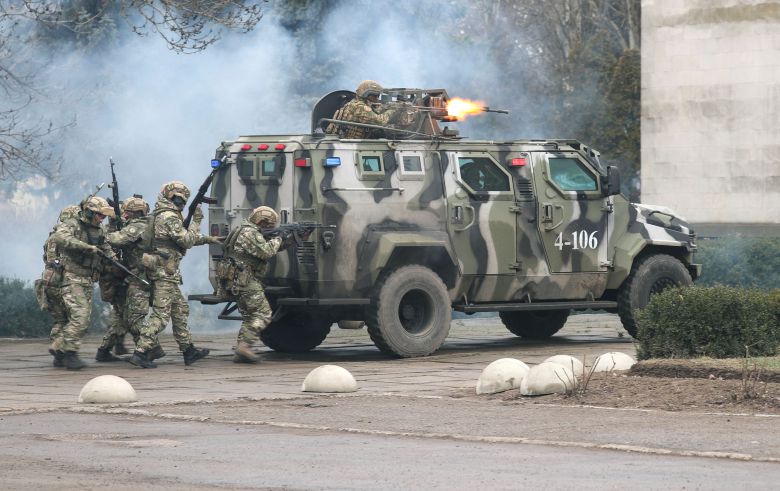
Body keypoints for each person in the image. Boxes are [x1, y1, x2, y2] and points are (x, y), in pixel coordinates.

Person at [130, 181, 218, 368]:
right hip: (164, 272)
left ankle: (188, 350)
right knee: (161, 316)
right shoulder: (169, 216)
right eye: (181, 199)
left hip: (164, 271)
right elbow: (186, 240)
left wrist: (209, 239)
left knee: (179, 310)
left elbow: (177, 240)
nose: (182, 203)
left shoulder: (162, 214)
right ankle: (141, 351)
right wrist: (196, 220)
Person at [217, 206, 291, 363]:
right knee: (263, 313)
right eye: (269, 224)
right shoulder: (250, 233)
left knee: (249, 316)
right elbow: (265, 252)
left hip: (238, 280)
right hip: (246, 281)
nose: (270, 227)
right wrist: (278, 238)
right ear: (261, 221)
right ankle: (245, 345)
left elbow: (259, 251)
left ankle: (241, 350)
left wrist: (288, 240)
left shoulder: (242, 229)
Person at [50, 196, 116, 370]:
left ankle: (59, 351)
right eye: (100, 215)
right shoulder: (73, 224)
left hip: (87, 279)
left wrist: (115, 262)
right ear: (89, 212)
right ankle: (70, 353)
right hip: (72, 278)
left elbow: (106, 247)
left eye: (104, 216)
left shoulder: (99, 230)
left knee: (81, 318)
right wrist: (85, 247)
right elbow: (60, 237)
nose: (102, 219)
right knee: (80, 318)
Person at [96, 196, 149, 362]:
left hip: (123, 275)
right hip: (117, 276)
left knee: (122, 316)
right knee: (126, 315)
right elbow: (112, 242)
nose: (125, 215)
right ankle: (147, 348)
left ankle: (106, 350)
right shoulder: (112, 231)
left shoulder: (126, 227)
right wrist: (114, 224)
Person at [35, 204, 81, 367]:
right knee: (73, 317)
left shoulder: (51, 236)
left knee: (60, 319)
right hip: (58, 280)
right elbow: (54, 260)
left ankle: (58, 355)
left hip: (47, 280)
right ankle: (59, 346)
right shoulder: (60, 237)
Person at [326, 80, 405, 138]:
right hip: (352, 144)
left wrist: (387, 107)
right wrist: (394, 109)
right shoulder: (359, 107)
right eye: (375, 96)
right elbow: (380, 121)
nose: (377, 99)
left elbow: (373, 112)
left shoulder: (354, 104)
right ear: (366, 94)